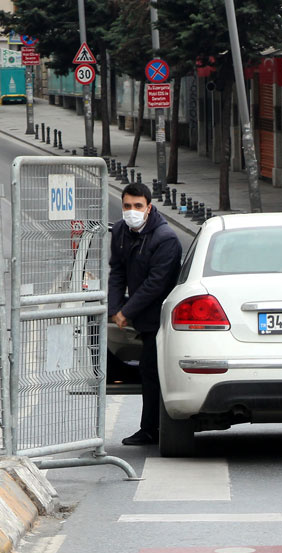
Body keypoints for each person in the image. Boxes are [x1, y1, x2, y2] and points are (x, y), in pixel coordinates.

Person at [108, 183, 182, 446]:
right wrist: (114, 309)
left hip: (160, 316)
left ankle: (151, 429)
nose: (132, 211)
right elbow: (117, 270)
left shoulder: (165, 238)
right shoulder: (120, 230)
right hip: (137, 311)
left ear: (149, 208)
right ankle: (151, 427)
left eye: (138, 206)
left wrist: (126, 311)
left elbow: (157, 284)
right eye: (127, 206)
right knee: (147, 372)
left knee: (151, 372)